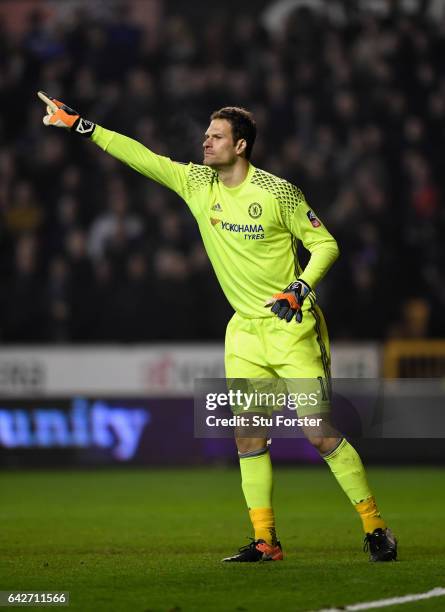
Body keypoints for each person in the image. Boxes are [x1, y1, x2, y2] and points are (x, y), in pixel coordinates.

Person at [37, 91, 397, 563]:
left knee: (318, 433)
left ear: (241, 145)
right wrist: (81, 124)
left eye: (216, 136)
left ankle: (375, 528)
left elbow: (325, 244)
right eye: (206, 135)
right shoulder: (197, 184)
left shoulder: (278, 193)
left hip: (291, 327)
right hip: (244, 334)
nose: (205, 143)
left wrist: (300, 288)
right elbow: (141, 157)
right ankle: (266, 541)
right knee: (248, 436)